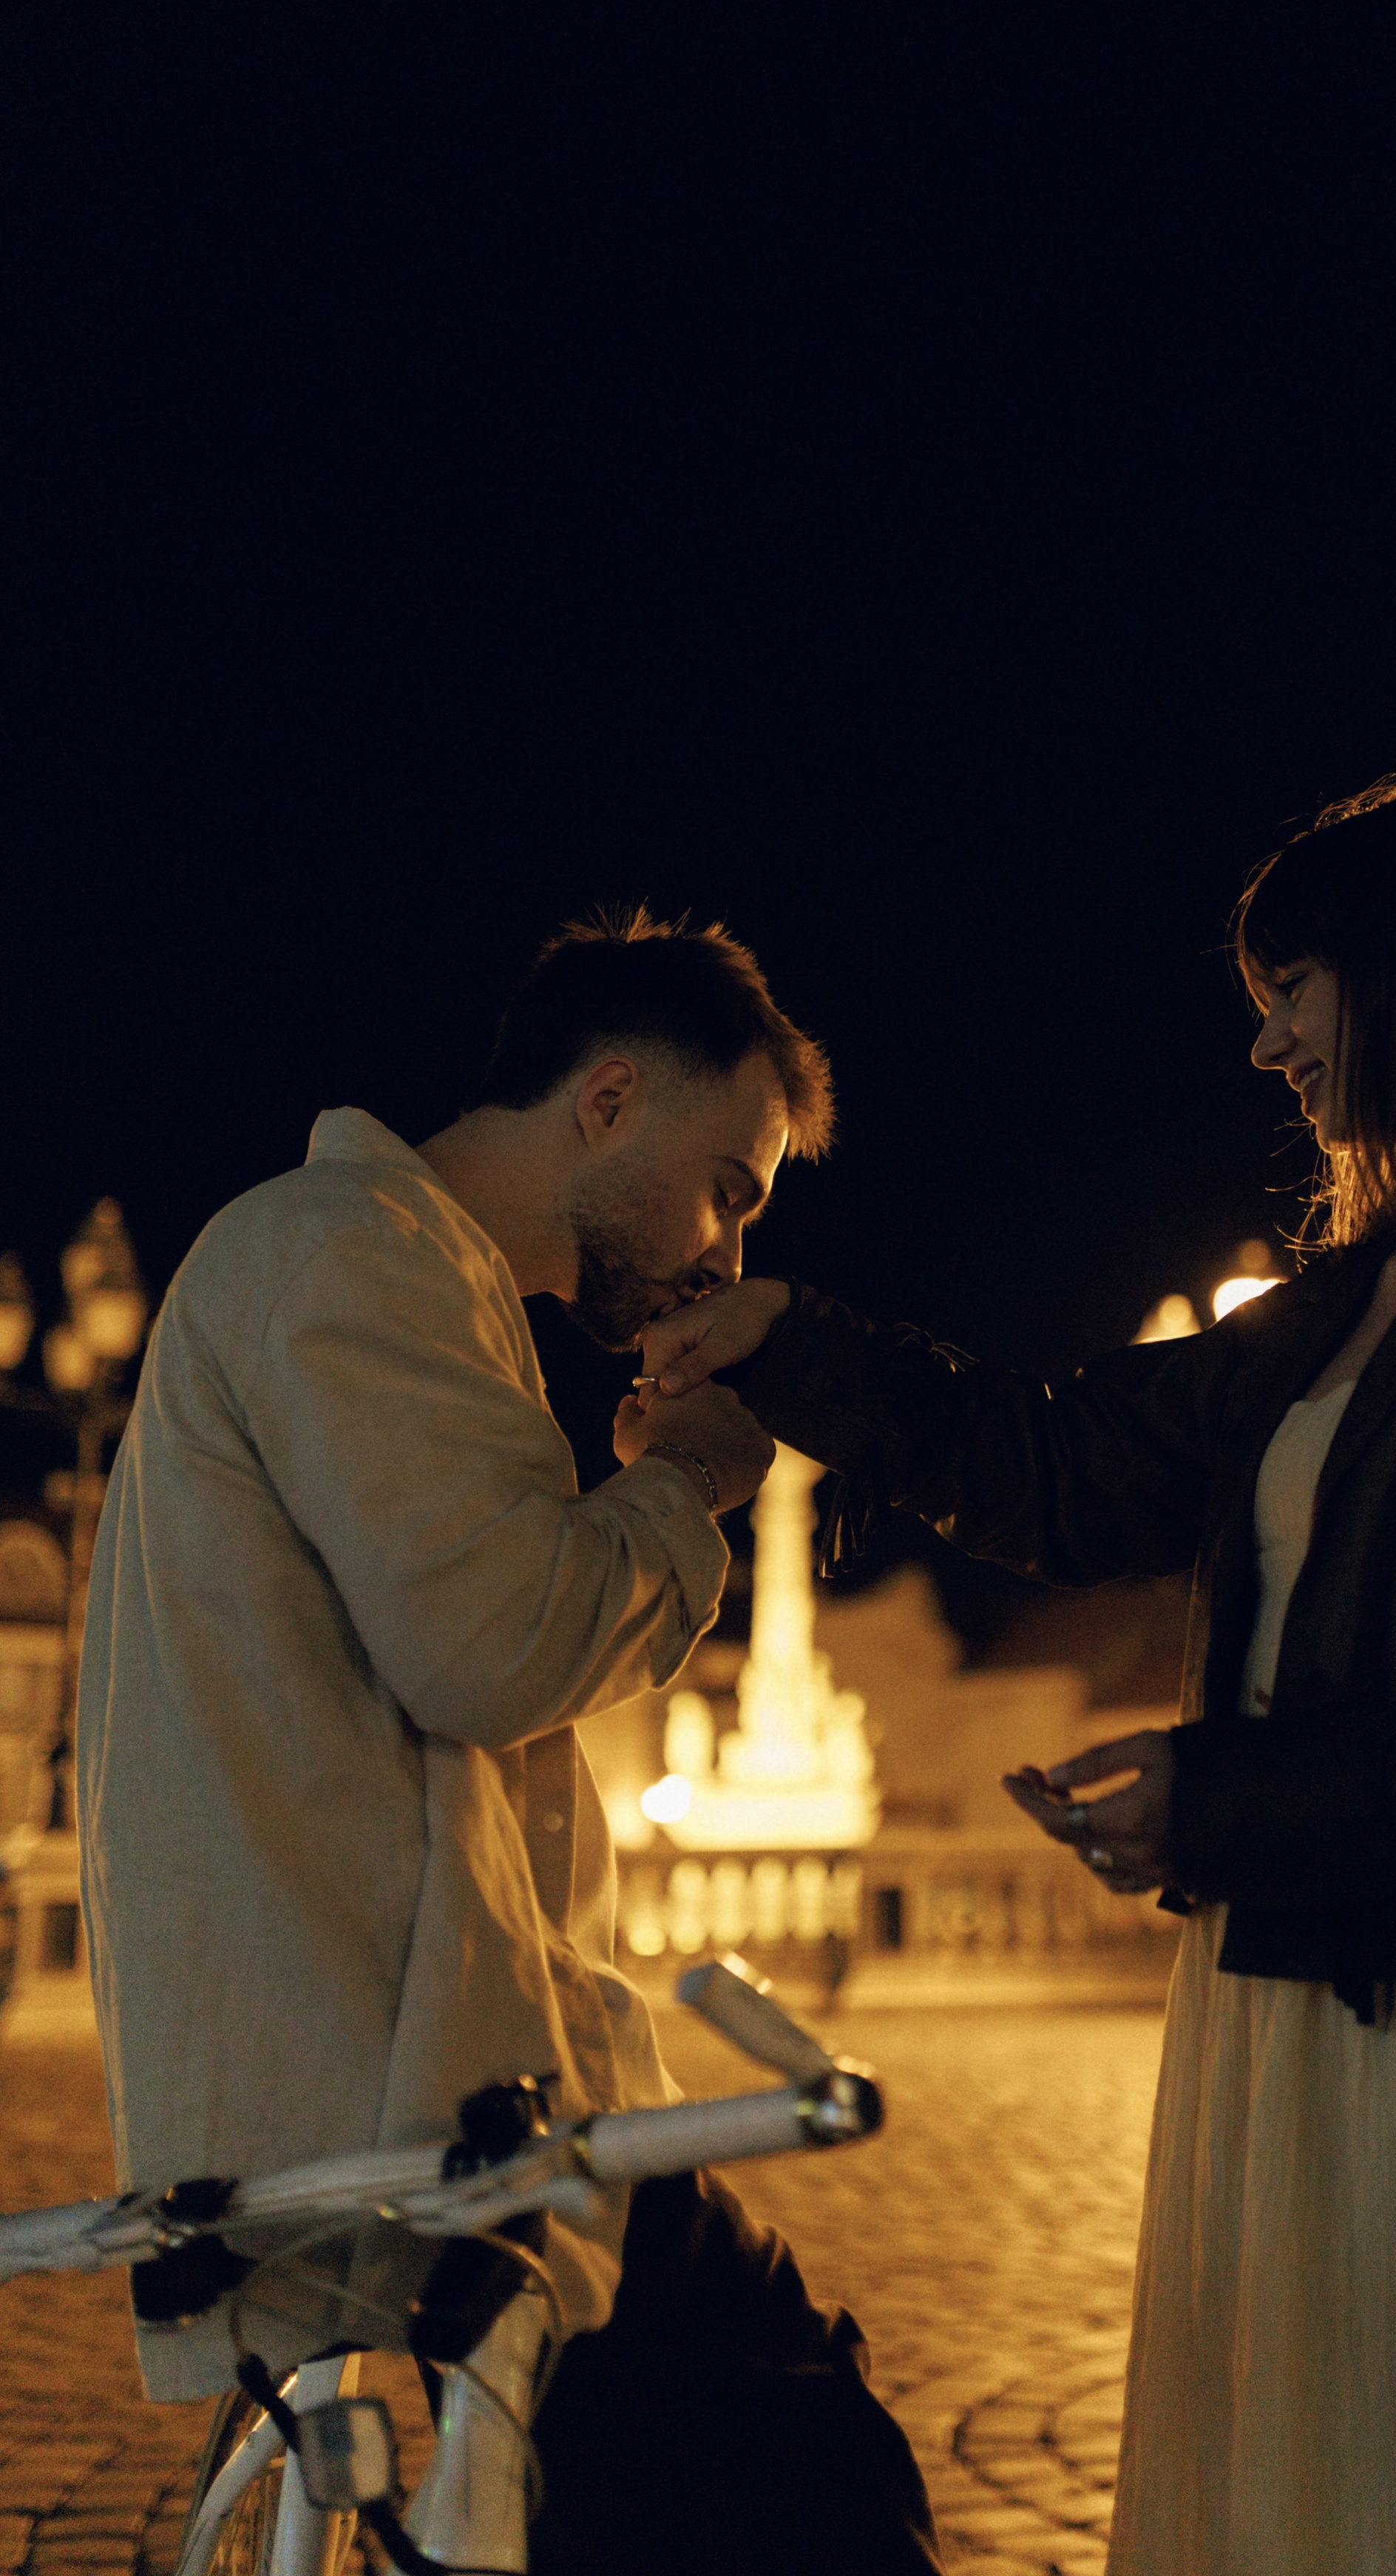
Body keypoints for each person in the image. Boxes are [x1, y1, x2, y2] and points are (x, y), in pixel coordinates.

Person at [638, 775, 1396, 2576]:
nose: (1266, 1041)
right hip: (1287, 2008)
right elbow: (1070, 1464)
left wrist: (1231, 1798)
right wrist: (789, 1342)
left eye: (1297, 984)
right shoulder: (1360, 1297)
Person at [78, 910, 941, 2576]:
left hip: (436, 2080)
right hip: (416, 2104)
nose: (722, 1248)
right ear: (606, 1103)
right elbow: (496, 1647)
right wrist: (686, 1482)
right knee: (809, 2476)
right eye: (730, 1186)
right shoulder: (352, 1255)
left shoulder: (401, 1275)